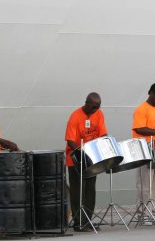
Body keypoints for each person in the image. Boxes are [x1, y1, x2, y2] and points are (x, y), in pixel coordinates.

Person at [65, 92, 107, 232]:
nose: (96, 109)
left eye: (98, 107)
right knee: (77, 191)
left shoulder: (99, 114)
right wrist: (81, 154)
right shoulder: (75, 116)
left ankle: (87, 220)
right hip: (76, 159)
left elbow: (103, 134)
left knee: (90, 190)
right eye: (94, 106)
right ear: (86, 103)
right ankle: (78, 222)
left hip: (92, 158)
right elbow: (70, 140)